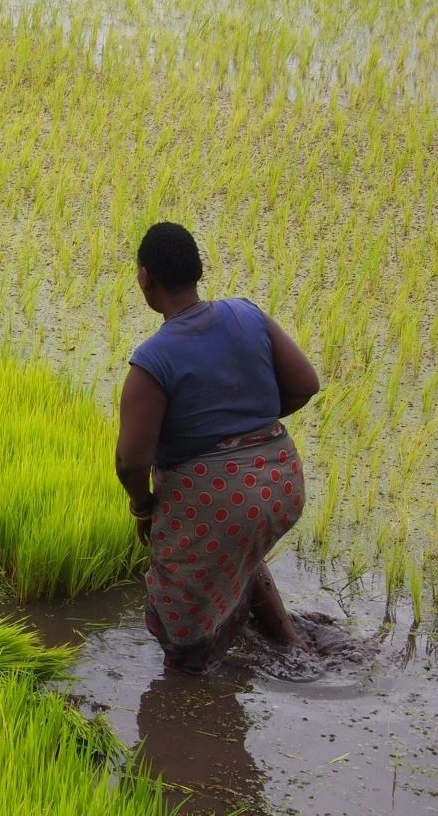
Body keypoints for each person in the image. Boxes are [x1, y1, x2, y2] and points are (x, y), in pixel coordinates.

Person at [115, 222, 320, 675]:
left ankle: (195, 698)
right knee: (241, 551)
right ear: (195, 270)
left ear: (144, 278)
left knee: (182, 631)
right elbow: (306, 385)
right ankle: (291, 641)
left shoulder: (153, 360)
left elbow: (132, 460)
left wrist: (142, 506)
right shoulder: (247, 314)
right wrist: (249, 423)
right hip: (281, 482)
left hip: (219, 500)